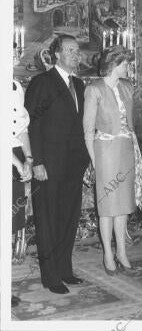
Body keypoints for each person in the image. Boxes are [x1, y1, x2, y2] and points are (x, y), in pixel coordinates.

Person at [24, 34, 89, 294]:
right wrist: (37, 161)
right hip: (48, 165)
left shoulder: (80, 85)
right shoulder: (42, 83)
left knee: (68, 218)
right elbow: (33, 125)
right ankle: (50, 277)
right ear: (57, 55)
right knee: (48, 220)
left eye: (78, 51)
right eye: (70, 51)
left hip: (74, 164)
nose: (76, 55)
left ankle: (64, 270)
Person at [83, 45, 142, 275]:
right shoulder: (94, 89)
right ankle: (108, 254)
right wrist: (94, 160)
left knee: (123, 205)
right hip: (104, 151)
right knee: (107, 206)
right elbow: (88, 130)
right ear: (114, 65)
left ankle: (122, 252)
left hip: (125, 148)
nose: (129, 67)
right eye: (126, 64)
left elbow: (131, 124)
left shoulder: (128, 87)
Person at [12, 42, 33, 306]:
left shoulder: (16, 87)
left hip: (16, 156)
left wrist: (28, 159)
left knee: (12, 224)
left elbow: (22, 128)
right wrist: (17, 165)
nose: (15, 57)